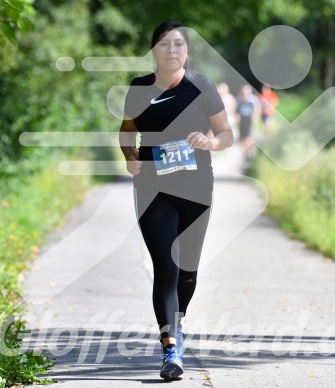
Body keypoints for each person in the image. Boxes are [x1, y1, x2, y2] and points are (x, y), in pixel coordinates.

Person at [119, 21, 234, 381]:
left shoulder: (201, 86)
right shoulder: (138, 89)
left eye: (179, 44)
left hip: (197, 188)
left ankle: (178, 321)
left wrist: (210, 142)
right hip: (152, 188)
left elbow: (227, 134)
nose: (172, 50)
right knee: (166, 267)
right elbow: (126, 132)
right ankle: (170, 346)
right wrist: (129, 156)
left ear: (187, 51)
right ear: (154, 50)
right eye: (165, 44)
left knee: (187, 271)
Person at [235, 84, 260, 166]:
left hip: (249, 120)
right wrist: (237, 117)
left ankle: (249, 154)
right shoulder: (239, 99)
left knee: (248, 139)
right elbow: (236, 110)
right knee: (242, 140)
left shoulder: (253, 99)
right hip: (242, 120)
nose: (245, 94)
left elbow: (257, 109)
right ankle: (245, 156)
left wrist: (256, 116)